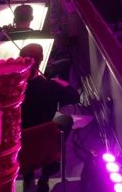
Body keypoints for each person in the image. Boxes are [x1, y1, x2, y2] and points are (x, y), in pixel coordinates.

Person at [19, 43, 80, 192]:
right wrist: (59, 82)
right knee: (66, 119)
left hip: (21, 141)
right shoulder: (51, 86)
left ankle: (28, 178)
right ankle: (45, 176)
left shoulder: (13, 89)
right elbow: (75, 97)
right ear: (41, 59)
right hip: (45, 138)